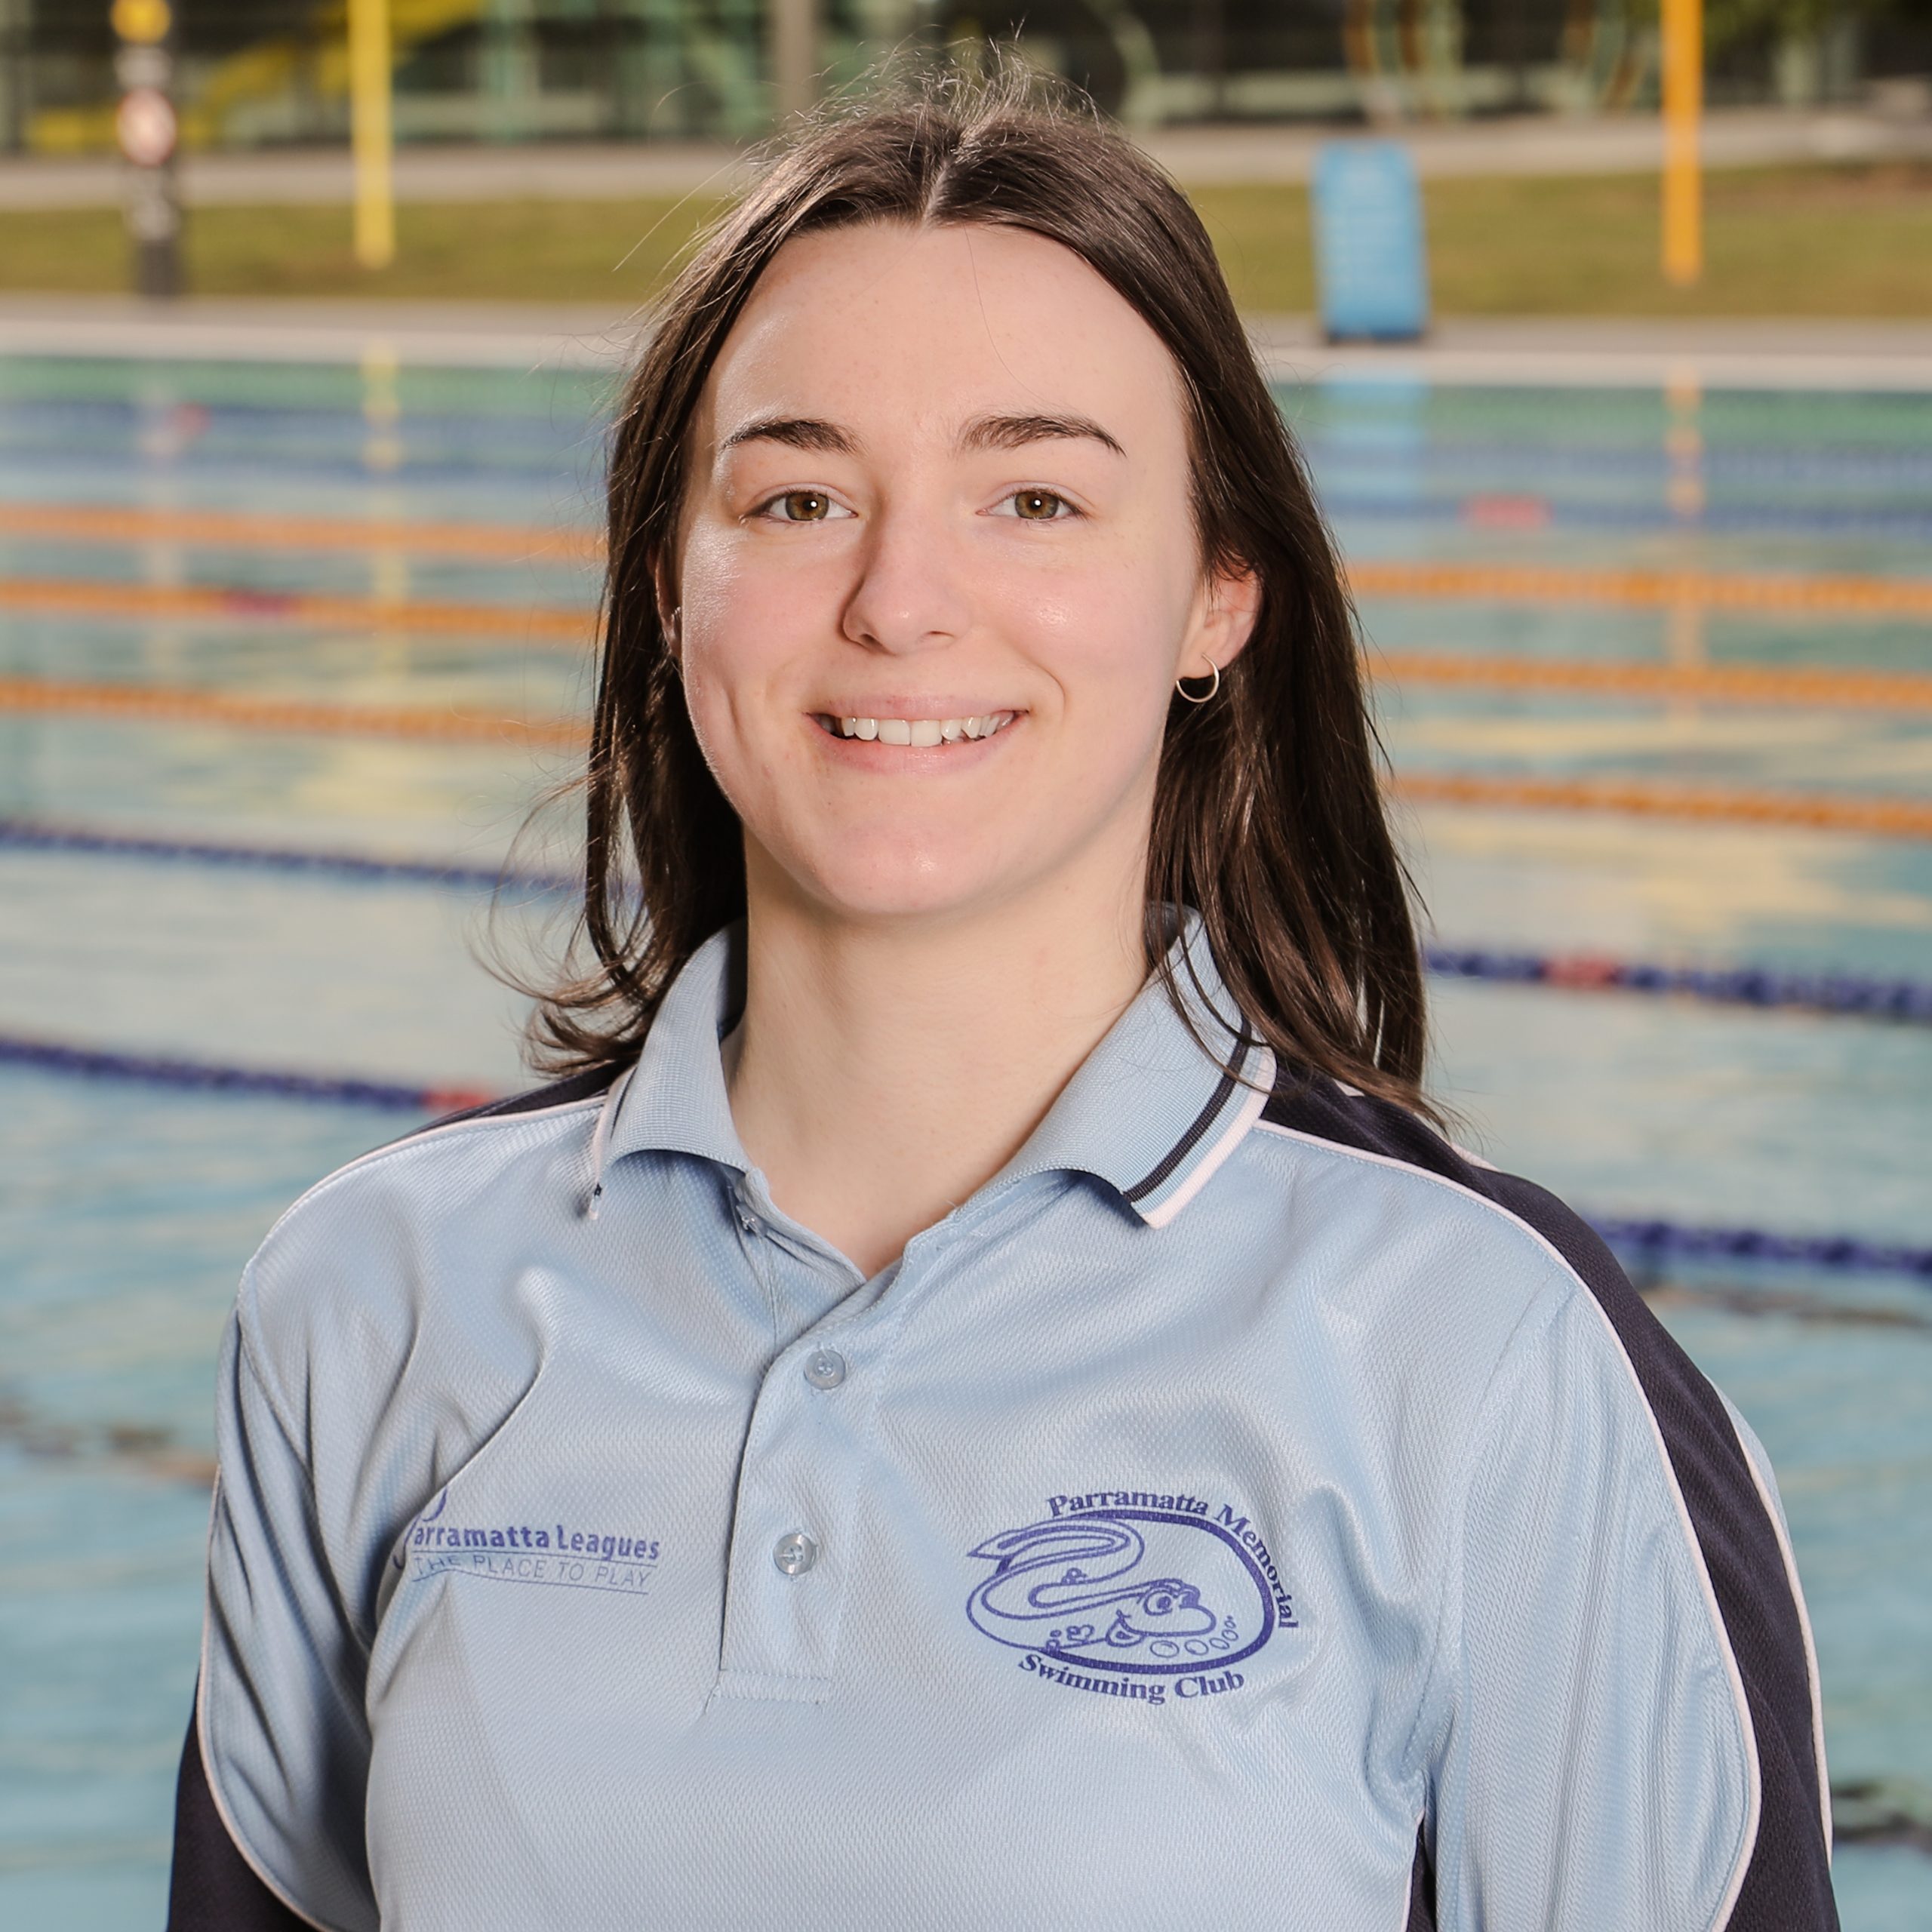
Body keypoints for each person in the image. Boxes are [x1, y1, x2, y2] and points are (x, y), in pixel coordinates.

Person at [167, 77, 1837, 1932]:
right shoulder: (372, 1301)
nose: (899, 598)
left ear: (1217, 594)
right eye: (797, 495)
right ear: (668, 587)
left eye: (1031, 493)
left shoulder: (1475, 1347)